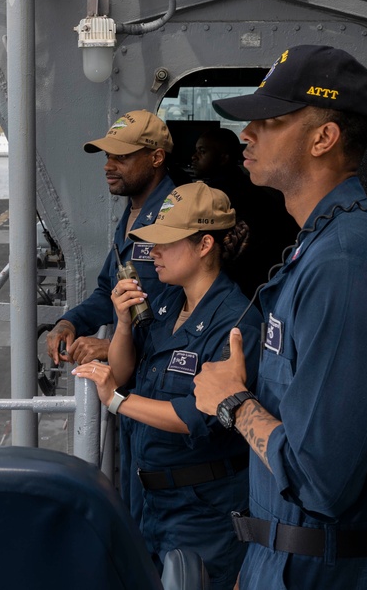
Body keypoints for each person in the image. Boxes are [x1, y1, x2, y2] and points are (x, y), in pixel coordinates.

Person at [193, 45, 367, 589]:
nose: (245, 135)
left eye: (268, 122)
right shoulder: (323, 244)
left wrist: (232, 403)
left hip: (326, 572)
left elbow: (321, 481)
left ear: (323, 138)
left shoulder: (346, 266)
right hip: (289, 559)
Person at [75, 182, 262, 589]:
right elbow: (125, 371)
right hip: (149, 498)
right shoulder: (166, 303)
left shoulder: (236, 322)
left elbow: (200, 415)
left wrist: (117, 402)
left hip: (202, 507)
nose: (153, 252)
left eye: (166, 242)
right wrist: (123, 323)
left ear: (204, 245)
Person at [45, 109, 175, 366]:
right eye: (108, 156)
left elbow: (188, 314)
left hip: (162, 383)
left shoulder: (177, 218)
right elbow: (108, 291)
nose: (108, 166)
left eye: (122, 157)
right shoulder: (131, 215)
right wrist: (70, 322)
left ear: (156, 157)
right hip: (134, 376)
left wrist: (114, 346)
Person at [191, 127, 298, 299]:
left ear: (224, 158)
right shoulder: (249, 188)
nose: (194, 157)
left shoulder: (221, 197)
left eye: (202, 152)